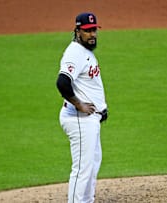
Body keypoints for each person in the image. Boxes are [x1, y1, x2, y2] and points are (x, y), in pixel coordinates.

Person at [56, 12, 108, 203]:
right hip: (79, 119)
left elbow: (89, 85)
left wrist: (101, 109)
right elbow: (62, 83)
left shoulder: (86, 52)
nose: (92, 34)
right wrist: (79, 105)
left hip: (90, 119)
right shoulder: (75, 53)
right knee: (82, 170)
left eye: (94, 30)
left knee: (92, 165)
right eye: (87, 31)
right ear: (77, 31)